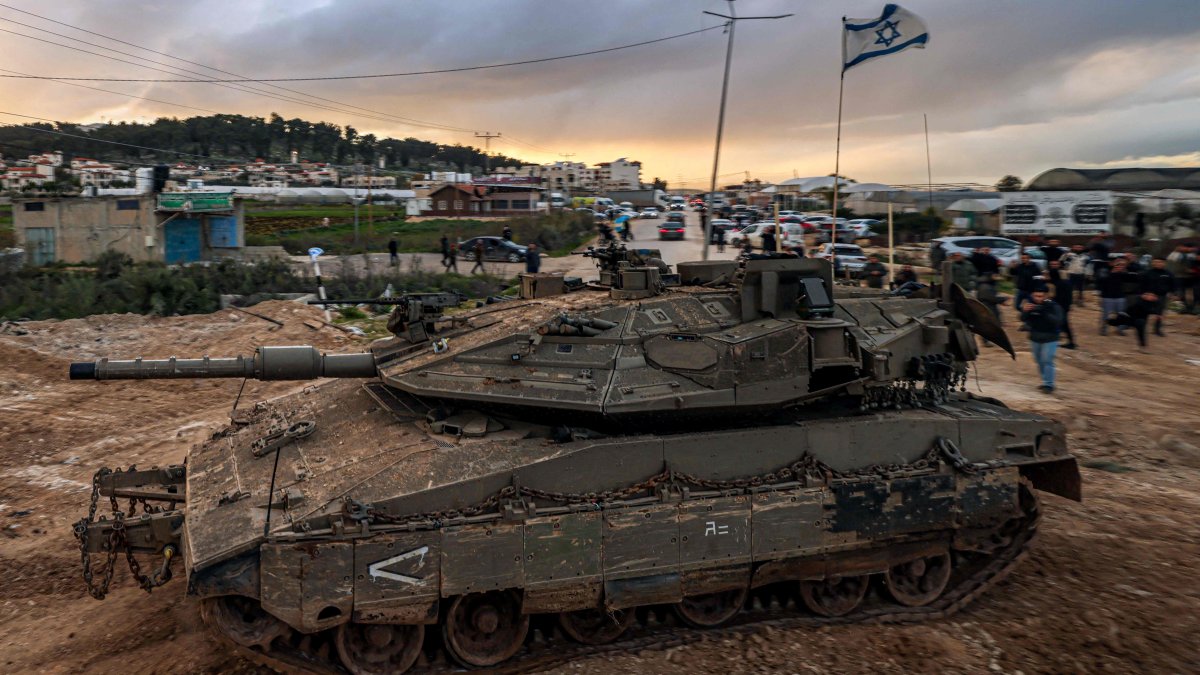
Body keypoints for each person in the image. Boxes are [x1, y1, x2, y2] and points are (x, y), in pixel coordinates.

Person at [1020, 282, 1064, 393]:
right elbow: (1023, 319)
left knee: (1047, 360)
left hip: (1050, 338)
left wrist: (1044, 311)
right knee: (1039, 361)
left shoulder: (1053, 306)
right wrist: (1025, 311)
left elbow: (1058, 322)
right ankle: (1045, 381)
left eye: (1040, 296)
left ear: (1046, 296)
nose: (1037, 298)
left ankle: (1049, 385)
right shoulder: (1030, 305)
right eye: (1035, 296)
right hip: (1035, 337)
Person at [1046, 260, 1077, 349]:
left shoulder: (1057, 284)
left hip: (1060, 307)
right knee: (1062, 324)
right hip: (1066, 306)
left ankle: (1071, 343)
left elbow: (1057, 298)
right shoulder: (1065, 282)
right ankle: (1070, 341)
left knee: (1063, 324)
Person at [1141, 257, 1175, 336]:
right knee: (1145, 313)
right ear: (1152, 263)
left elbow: (1173, 284)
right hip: (1148, 296)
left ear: (1164, 263)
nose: (1158, 263)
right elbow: (1142, 284)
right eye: (1155, 262)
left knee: (1159, 314)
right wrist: (1143, 294)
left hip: (1161, 296)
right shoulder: (1147, 273)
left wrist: (1172, 292)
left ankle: (1157, 330)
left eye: (1160, 262)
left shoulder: (1168, 273)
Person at [1095, 257, 1127, 335]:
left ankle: (1120, 329)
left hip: (1120, 297)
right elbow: (1100, 284)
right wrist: (1100, 297)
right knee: (1106, 314)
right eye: (1118, 265)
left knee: (1121, 314)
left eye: (1122, 265)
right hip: (1107, 297)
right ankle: (1104, 329)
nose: (1120, 267)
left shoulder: (1123, 275)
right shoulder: (1106, 273)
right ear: (1113, 264)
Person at [1167, 243, 1197, 312]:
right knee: (1181, 292)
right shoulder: (1177, 254)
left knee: (1190, 293)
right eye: (1184, 247)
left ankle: (1191, 307)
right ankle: (1183, 308)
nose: (1185, 249)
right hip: (1179, 276)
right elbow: (1171, 260)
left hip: (1190, 277)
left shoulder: (1193, 255)